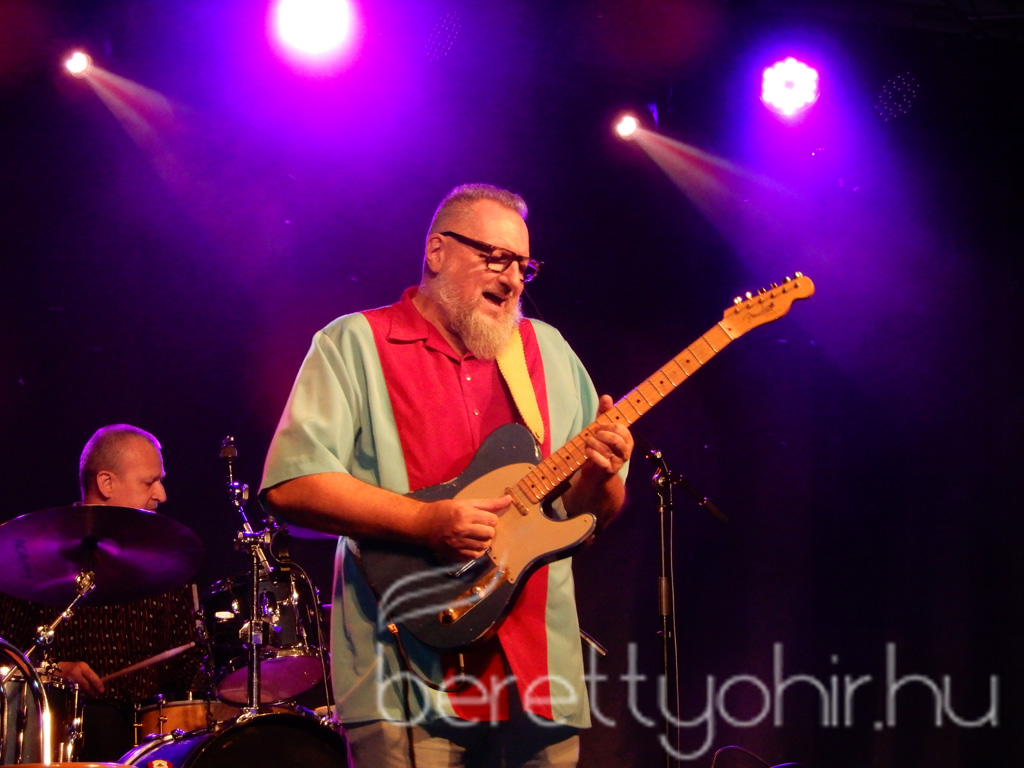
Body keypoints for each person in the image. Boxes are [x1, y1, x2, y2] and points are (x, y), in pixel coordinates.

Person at [260, 183, 634, 768]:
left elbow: (588, 516)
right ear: (437, 251)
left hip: (538, 677)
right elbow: (291, 483)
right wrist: (424, 522)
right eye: (496, 258)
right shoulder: (354, 343)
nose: (513, 280)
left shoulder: (550, 351)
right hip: (404, 674)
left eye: (524, 266)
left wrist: (602, 476)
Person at [0, 424, 203, 762]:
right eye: (149, 482)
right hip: (62, 730)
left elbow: (186, 666)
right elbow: (5, 659)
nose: (162, 494)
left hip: (153, 736)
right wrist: (51, 672)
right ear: (106, 483)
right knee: (102, 724)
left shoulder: (167, 558)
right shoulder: (32, 556)